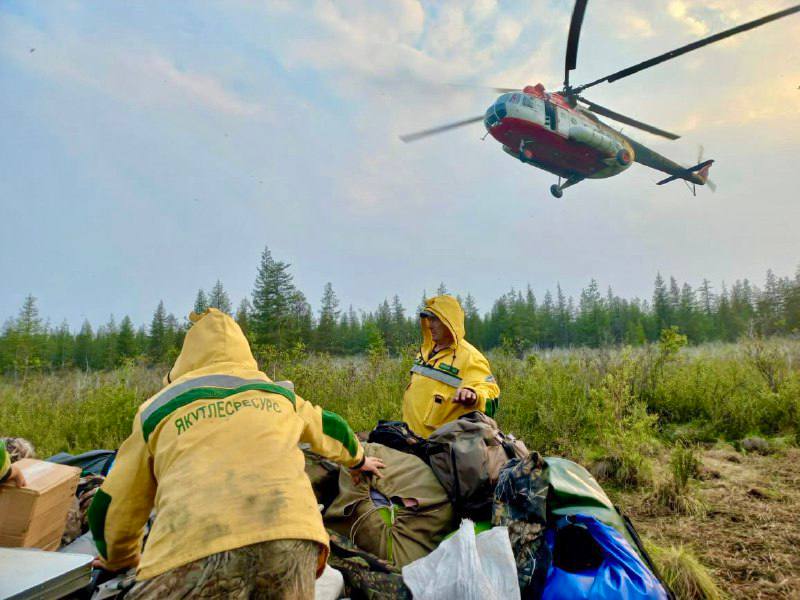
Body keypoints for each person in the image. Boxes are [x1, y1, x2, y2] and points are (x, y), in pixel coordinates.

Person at [88, 308, 384, 600]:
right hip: (292, 540)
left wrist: (120, 559)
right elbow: (332, 428)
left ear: (186, 359)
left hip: (192, 549)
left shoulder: (157, 411)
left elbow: (112, 504)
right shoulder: (279, 396)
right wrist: (359, 461)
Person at [402, 295, 500, 437]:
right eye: (428, 319)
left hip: (439, 447)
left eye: (435, 319)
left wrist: (474, 396)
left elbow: (491, 393)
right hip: (409, 438)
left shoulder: (470, 357)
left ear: (449, 321)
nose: (429, 325)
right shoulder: (424, 352)